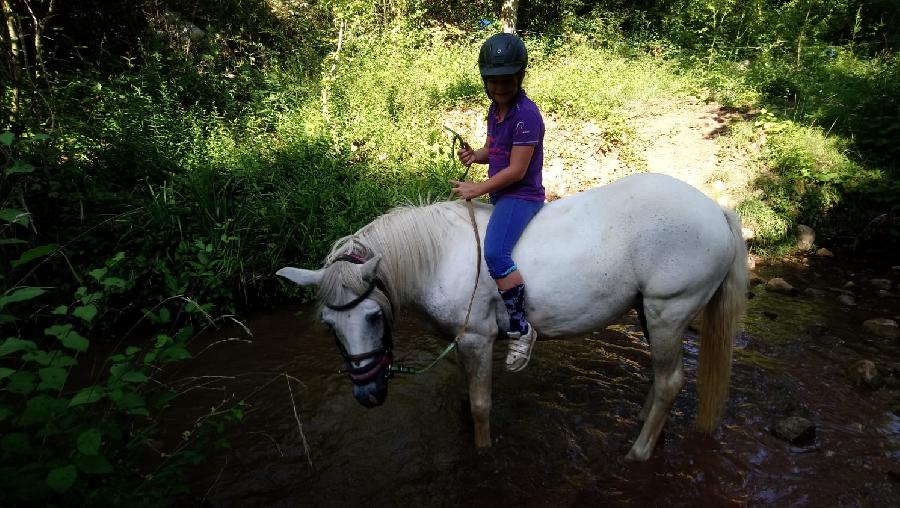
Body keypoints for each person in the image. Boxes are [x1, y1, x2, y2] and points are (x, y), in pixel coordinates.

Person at [450, 33, 545, 372]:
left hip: (521, 196)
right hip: (501, 193)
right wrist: (476, 155)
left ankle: (521, 328)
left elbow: (517, 170)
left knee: (495, 253)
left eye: (507, 81)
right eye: (493, 81)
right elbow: (497, 148)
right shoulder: (496, 109)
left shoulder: (526, 116)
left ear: (520, 77)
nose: (500, 87)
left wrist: (477, 189)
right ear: (485, 81)